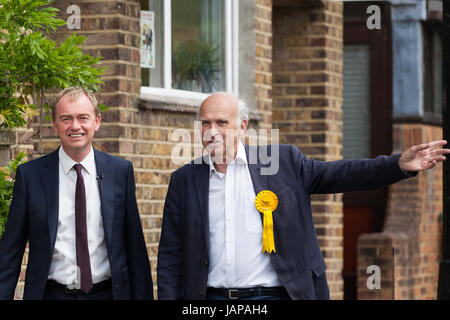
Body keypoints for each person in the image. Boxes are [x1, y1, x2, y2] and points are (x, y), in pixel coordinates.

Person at [157, 92, 450, 300]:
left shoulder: (282, 161)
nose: (212, 131)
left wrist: (396, 164)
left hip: (276, 294)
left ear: (242, 127)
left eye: (221, 122)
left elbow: (339, 174)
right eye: (205, 123)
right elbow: (171, 253)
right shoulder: (185, 180)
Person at [0, 87, 153, 300]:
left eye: (83, 118)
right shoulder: (30, 176)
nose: (75, 126)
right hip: (51, 295)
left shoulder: (120, 172)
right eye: (66, 119)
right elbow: (10, 253)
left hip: (107, 294)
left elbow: (135, 248)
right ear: (54, 125)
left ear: (96, 121)